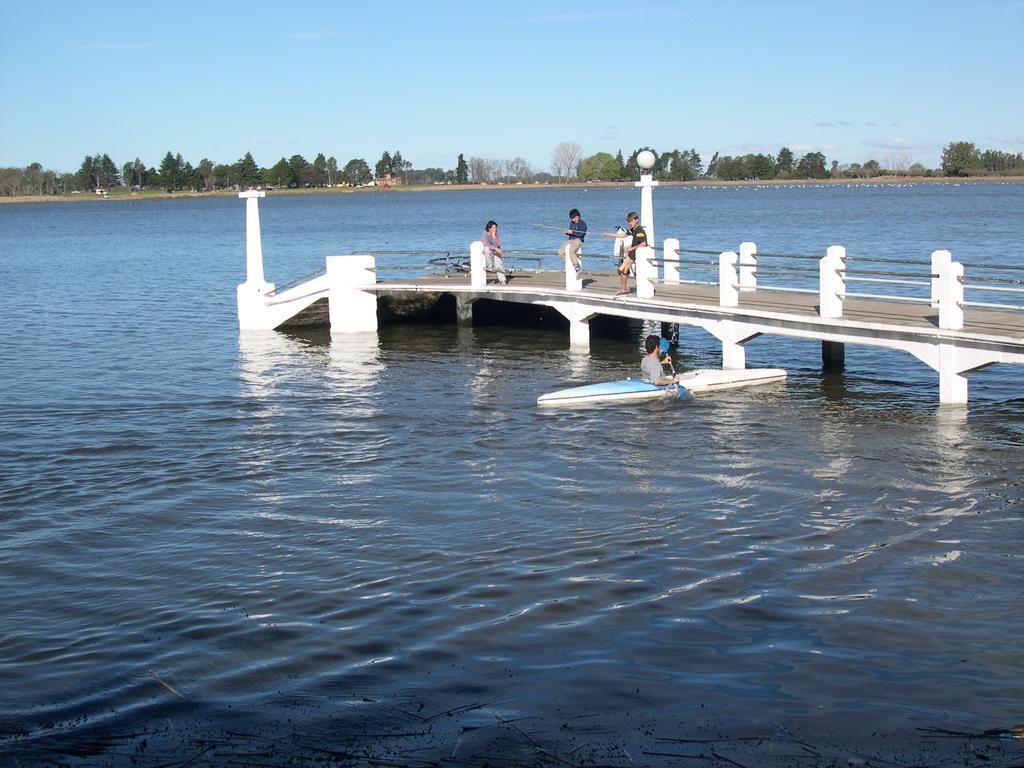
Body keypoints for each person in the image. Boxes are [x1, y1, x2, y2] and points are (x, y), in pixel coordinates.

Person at [601, 212, 648, 295]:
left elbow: (644, 243)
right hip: (632, 253)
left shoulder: (639, 230)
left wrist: (632, 248)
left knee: (623, 270)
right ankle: (623, 289)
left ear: (636, 220)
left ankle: (623, 290)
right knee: (622, 270)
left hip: (635, 254)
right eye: (629, 222)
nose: (630, 223)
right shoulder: (633, 229)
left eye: (631, 221)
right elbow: (623, 235)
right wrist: (609, 234)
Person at [557, 208, 587, 276]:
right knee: (560, 251)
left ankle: (577, 267)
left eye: (574, 217)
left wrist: (571, 231)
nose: (573, 219)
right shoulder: (572, 223)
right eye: (571, 218)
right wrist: (567, 232)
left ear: (578, 216)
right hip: (571, 239)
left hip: (578, 240)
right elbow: (571, 232)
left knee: (571, 250)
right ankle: (568, 263)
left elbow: (581, 234)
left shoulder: (582, 224)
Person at [482, 220, 507, 285]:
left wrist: (494, 237)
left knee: (499, 263)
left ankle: (502, 280)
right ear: (489, 228)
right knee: (486, 249)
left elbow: (497, 244)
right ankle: (490, 265)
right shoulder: (485, 234)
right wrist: (495, 248)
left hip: (496, 250)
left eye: (496, 228)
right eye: (494, 228)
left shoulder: (496, 234)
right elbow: (486, 243)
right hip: (489, 250)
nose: (495, 229)